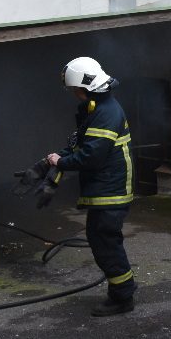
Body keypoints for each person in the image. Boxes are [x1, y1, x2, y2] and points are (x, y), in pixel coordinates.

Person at [46, 57, 137, 317]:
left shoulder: (105, 113)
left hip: (111, 190)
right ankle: (123, 289)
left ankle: (122, 297)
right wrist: (57, 159)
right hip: (108, 187)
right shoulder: (99, 107)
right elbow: (84, 144)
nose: (74, 95)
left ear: (84, 87)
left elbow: (92, 156)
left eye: (75, 90)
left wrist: (61, 161)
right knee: (103, 239)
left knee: (105, 241)